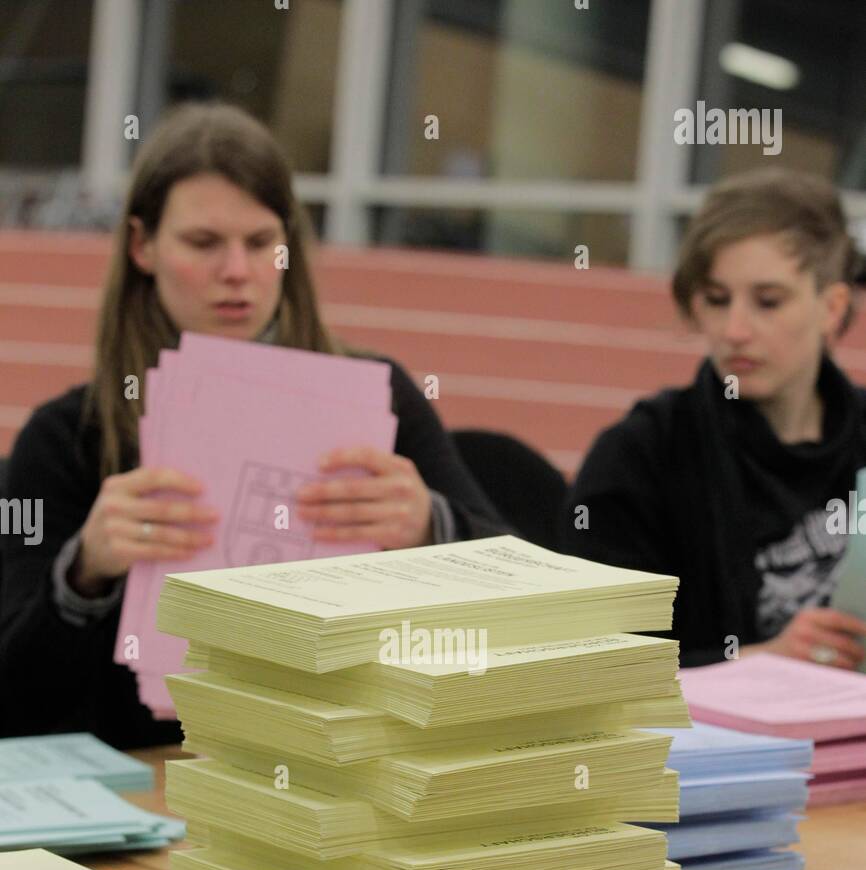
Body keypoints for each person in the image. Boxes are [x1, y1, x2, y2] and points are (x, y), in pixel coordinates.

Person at [0, 103, 506, 749]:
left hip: (339, 762)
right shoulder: (67, 434)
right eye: (204, 243)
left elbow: (531, 593)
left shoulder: (377, 396)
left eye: (261, 242)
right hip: (146, 779)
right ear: (142, 246)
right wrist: (85, 575)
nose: (236, 271)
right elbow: (16, 701)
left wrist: (434, 528)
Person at [557, 169, 866, 669]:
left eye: (768, 301)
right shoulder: (640, 455)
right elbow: (593, 665)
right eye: (717, 300)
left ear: (831, 307)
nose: (735, 330)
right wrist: (762, 661)